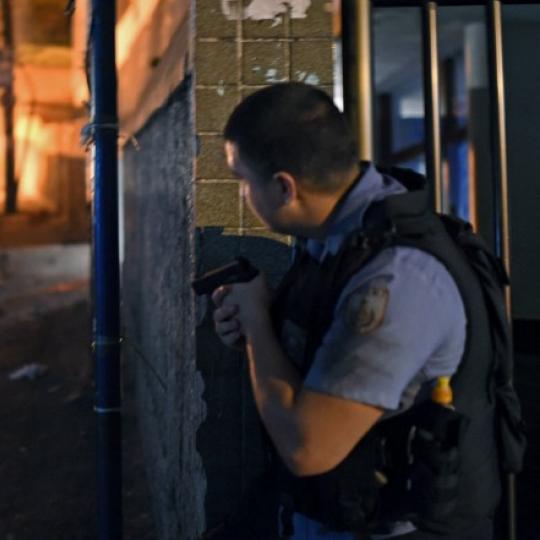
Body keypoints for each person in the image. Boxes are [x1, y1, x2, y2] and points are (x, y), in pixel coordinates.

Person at [211, 82, 500, 538]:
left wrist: (258, 327)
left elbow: (308, 448)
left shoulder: (396, 279)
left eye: (243, 181)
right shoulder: (335, 239)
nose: (244, 195)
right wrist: (256, 328)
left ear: (285, 187)